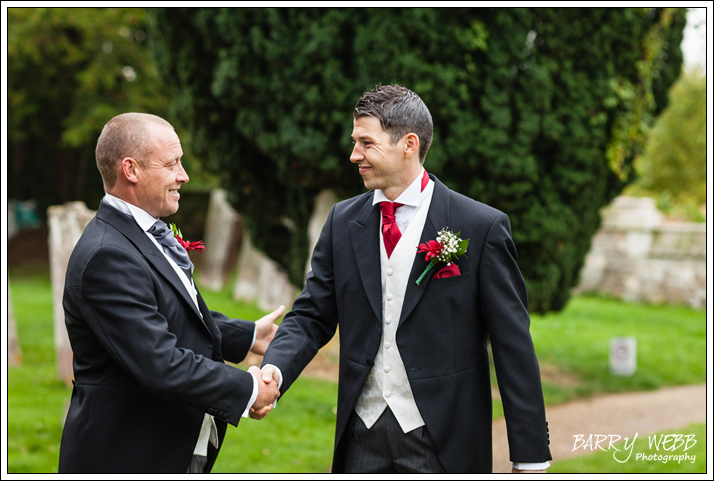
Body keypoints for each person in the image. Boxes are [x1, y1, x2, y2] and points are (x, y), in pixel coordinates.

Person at [259, 85, 552, 473]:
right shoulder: (343, 223)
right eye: (354, 142)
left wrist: (530, 457)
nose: (354, 155)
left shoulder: (480, 227)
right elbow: (311, 315)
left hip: (444, 441)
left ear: (408, 144)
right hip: (360, 436)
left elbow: (512, 344)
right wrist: (274, 370)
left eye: (366, 143)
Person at [58, 113, 282, 473]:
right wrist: (248, 388)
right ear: (131, 170)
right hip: (128, 454)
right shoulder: (107, 254)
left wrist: (250, 335)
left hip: (168, 445)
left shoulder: (141, 233)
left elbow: (170, 312)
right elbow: (159, 362)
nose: (184, 175)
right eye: (171, 163)